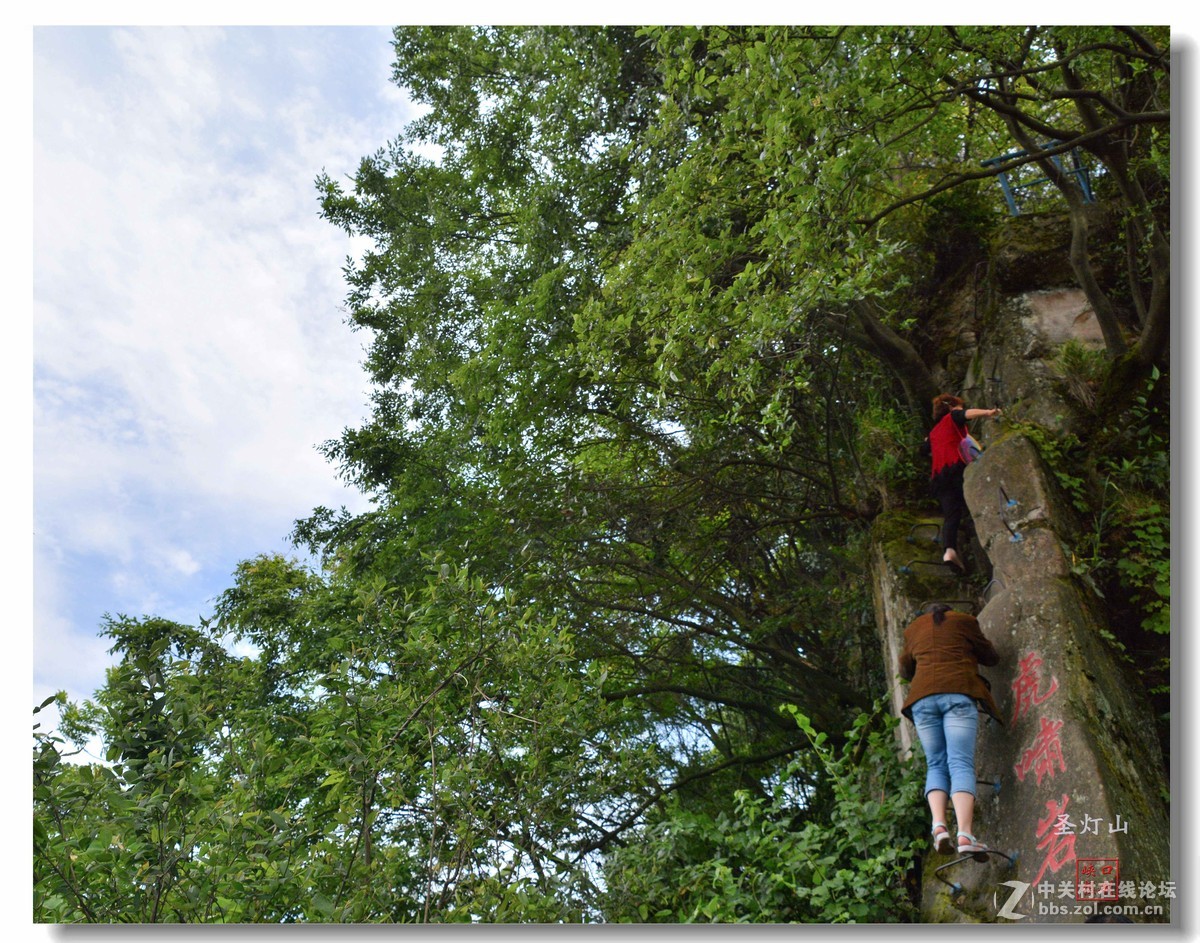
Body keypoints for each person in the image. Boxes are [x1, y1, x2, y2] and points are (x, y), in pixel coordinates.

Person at [899, 603, 1001, 856]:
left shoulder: (913, 629)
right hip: (957, 693)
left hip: (922, 701)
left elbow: (905, 670)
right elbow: (991, 656)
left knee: (936, 764)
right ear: (949, 610)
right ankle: (965, 835)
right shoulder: (964, 621)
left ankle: (939, 827)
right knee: (960, 763)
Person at [920, 394, 1001, 571]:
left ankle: (949, 551)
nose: (960, 409)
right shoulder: (951, 418)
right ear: (950, 407)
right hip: (956, 469)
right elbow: (966, 414)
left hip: (939, 479)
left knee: (952, 516)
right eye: (958, 406)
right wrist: (988, 412)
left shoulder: (933, 433)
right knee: (977, 501)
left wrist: (928, 441)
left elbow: (923, 450)